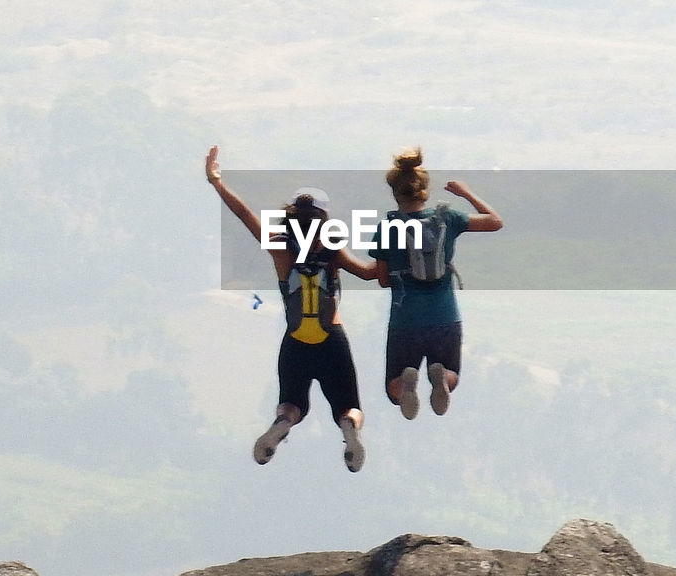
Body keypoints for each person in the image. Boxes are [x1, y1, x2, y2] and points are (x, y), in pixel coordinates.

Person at [206, 146, 375, 472]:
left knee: (292, 403)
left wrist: (217, 182)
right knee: (349, 405)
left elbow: (245, 216)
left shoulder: (279, 247)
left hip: (296, 339)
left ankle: (282, 424)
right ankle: (349, 428)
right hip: (332, 338)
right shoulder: (332, 250)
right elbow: (371, 274)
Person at [373, 148, 502, 419]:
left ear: (395, 193)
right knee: (451, 373)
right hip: (445, 319)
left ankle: (407, 382)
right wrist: (465, 193)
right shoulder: (448, 218)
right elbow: (495, 222)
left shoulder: (386, 227)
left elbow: (383, 280)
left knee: (393, 389)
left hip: (405, 322)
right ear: (425, 191)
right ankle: (441, 376)